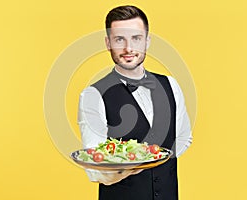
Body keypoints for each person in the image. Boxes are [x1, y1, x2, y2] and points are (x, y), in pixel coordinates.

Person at [78, 5, 192, 200]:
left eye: (136, 38)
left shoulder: (170, 85)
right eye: (119, 39)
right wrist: (132, 166)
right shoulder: (93, 94)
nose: (128, 48)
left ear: (147, 41)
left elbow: (183, 137)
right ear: (108, 43)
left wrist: (158, 159)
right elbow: (95, 168)